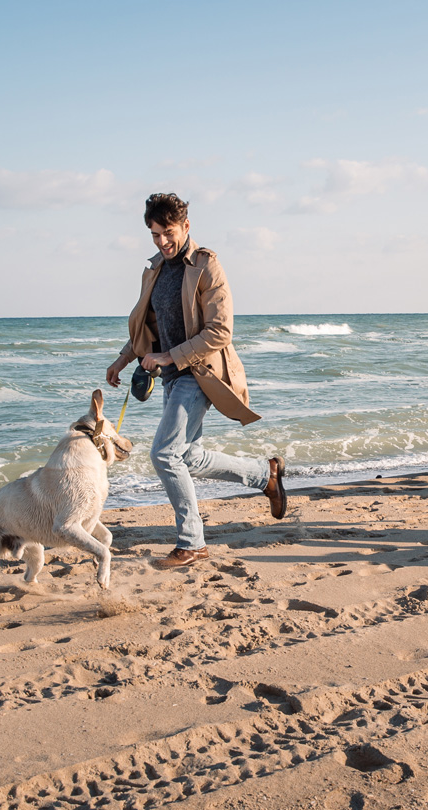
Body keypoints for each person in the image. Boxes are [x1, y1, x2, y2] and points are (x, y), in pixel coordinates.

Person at [105, 193, 286, 569]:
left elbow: (220, 331)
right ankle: (263, 474)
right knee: (189, 456)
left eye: (168, 233)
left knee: (164, 454)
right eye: (155, 234)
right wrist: (123, 359)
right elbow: (147, 327)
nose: (162, 242)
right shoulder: (154, 269)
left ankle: (192, 543)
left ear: (186, 226)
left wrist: (170, 356)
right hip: (172, 377)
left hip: (200, 374)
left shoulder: (206, 266)